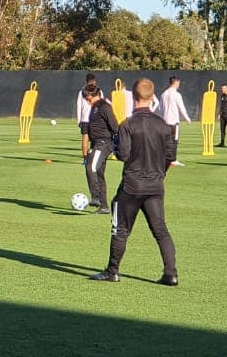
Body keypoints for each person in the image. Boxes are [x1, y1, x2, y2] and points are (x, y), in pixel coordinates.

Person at [90, 78, 179, 286]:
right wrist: (159, 174)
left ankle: (112, 271)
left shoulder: (127, 125)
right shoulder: (164, 125)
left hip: (132, 185)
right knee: (160, 230)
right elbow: (170, 157)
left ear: (134, 97)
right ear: (152, 97)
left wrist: (116, 147)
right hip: (155, 185)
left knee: (120, 229)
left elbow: (123, 154)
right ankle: (171, 273)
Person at [82, 84, 118, 214]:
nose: (86, 100)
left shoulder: (104, 106)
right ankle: (104, 206)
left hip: (103, 143)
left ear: (91, 95)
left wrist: (116, 144)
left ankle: (96, 197)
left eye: (87, 97)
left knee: (90, 166)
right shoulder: (94, 108)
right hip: (96, 144)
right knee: (98, 173)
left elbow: (115, 126)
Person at [158, 76, 191, 166]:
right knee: (174, 140)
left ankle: (164, 159)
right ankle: (173, 159)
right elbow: (181, 107)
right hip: (173, 121)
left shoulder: (164, 94)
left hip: (165, 121)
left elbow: (160, 108)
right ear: (176, 83)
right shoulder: (176, 94)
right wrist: (187, 118)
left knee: (166, 141)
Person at [76, 73, 97, 158]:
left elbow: (79, 105)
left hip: (85, 118)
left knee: (85, 136)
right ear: (94, 81)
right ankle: (94, 156)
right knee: (96, 137)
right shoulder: (98, 91)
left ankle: (85, 157)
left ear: (86, 81)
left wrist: (79, 120)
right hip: (96, 118)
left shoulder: (81, 92)